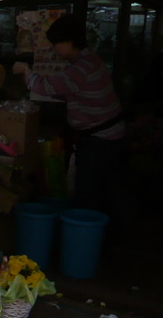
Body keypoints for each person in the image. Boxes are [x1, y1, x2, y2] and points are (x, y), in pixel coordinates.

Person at [13, 14, 126, 240]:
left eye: (56, 43)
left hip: (101, 140)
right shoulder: (89, 61)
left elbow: (46, 86)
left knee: (90, 195)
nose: (54, 49)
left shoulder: (82, 67)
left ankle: (89, 241)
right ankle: (102, 239)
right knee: (102, 192)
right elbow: (67, 90)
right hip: (106, 137)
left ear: (68, 41)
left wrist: (26, 71)